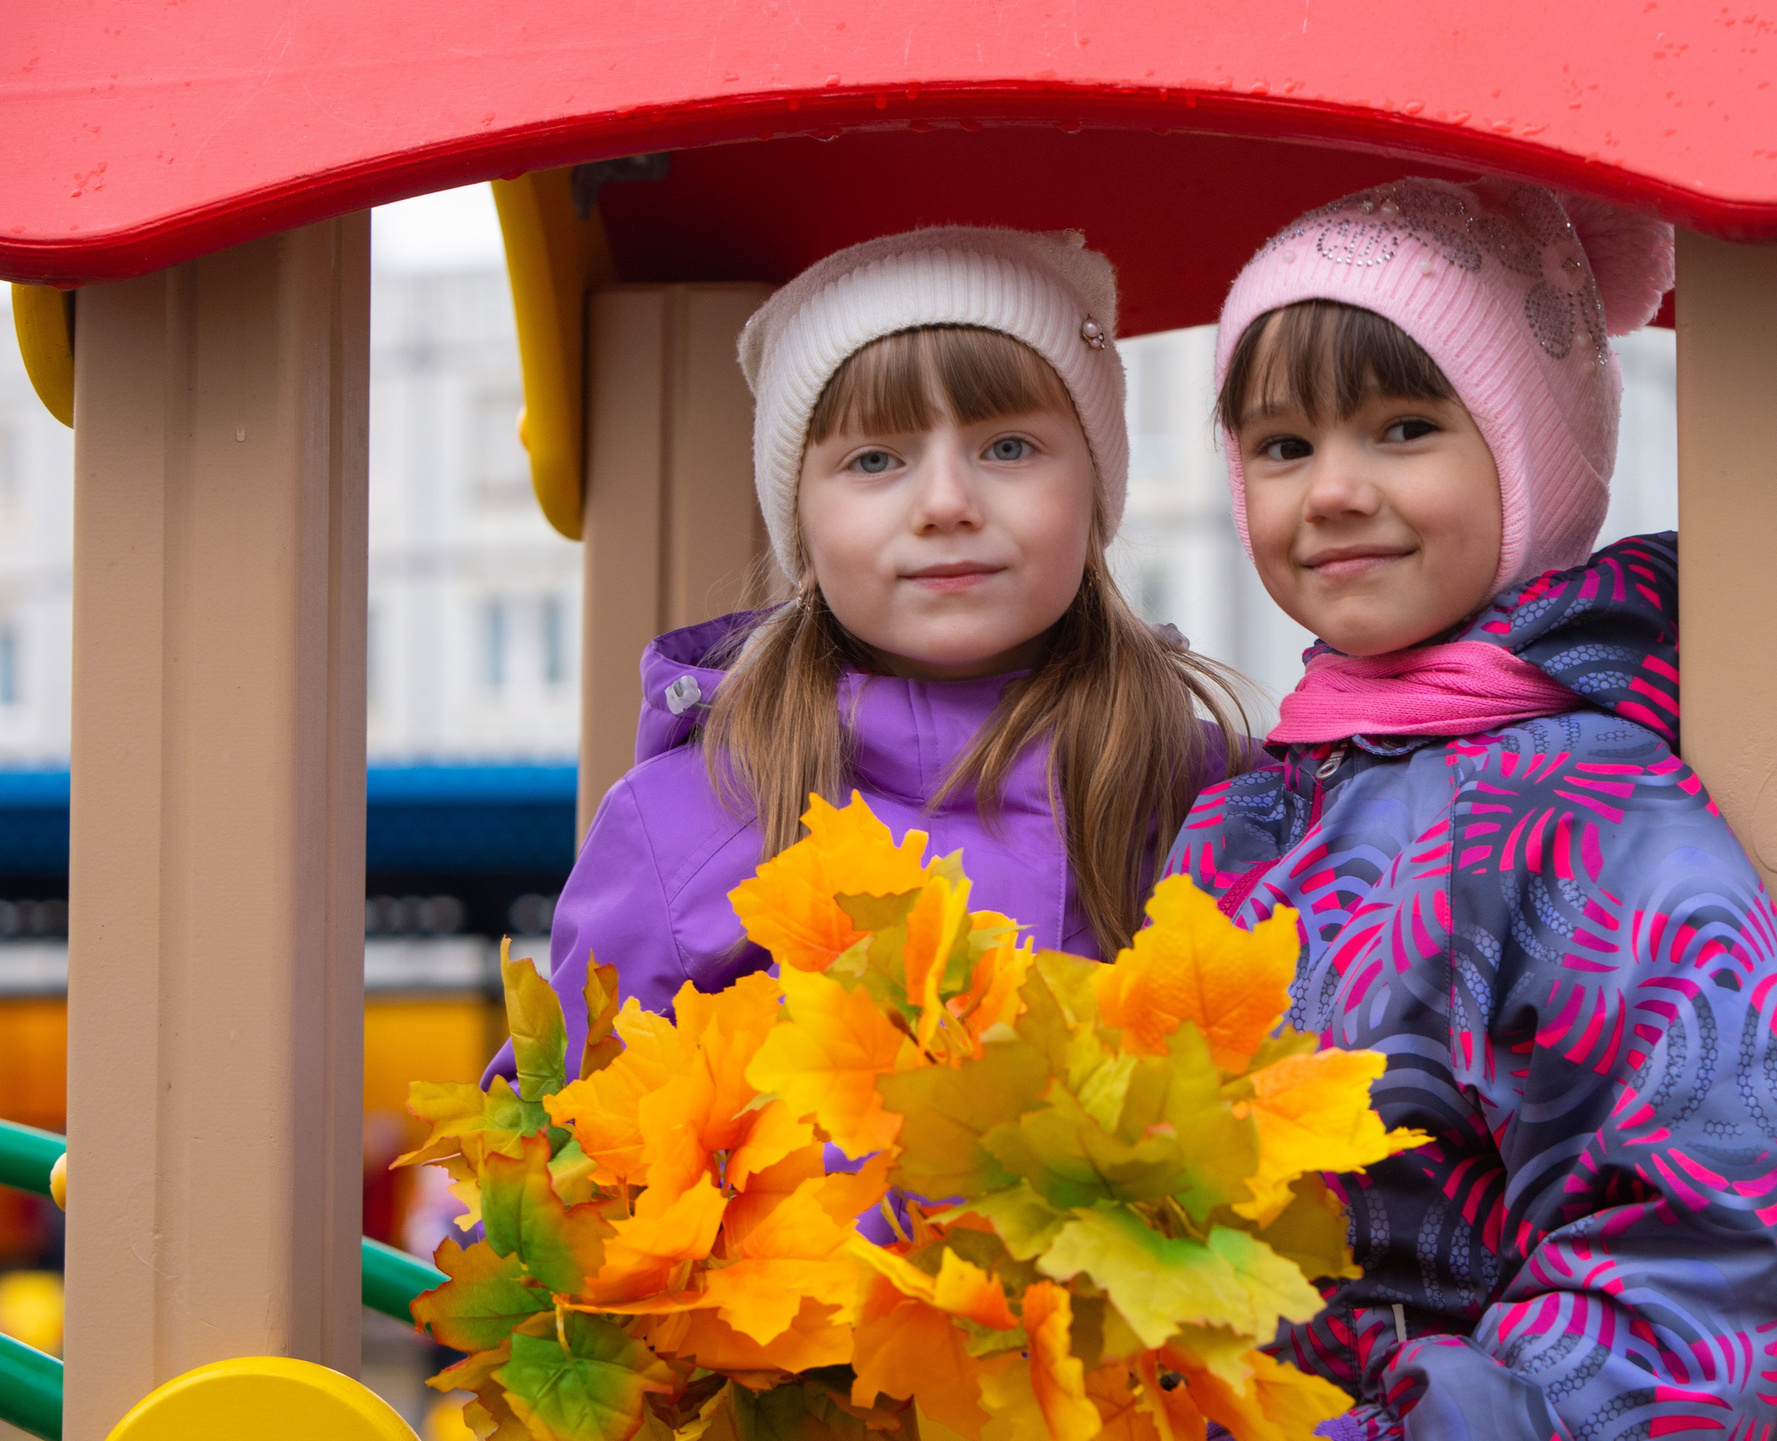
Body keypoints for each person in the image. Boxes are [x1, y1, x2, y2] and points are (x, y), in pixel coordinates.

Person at [1172, 178, 1777, 1441]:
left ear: (1534, 456)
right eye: (1282, 442)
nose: (1333, 486)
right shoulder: (1235, 815)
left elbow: (1686, 1248)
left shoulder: (1594, 819)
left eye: (1405, 427)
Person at [526, 227, 1244, 1067]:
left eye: (1008, 448)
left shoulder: (1216, 801)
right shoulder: (688, 823)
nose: (946, 503)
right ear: (801, 525)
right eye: (875, 459)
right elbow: (570, 1153)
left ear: (1096, 493)